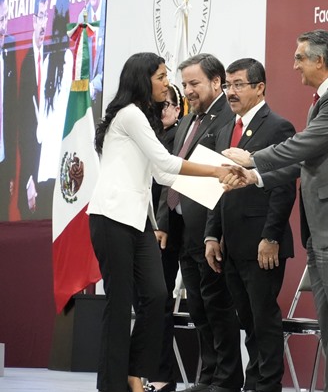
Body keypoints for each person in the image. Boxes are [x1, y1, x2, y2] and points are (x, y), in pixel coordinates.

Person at [223, 29, 328, 392]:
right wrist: (255, 178)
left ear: (319, 60)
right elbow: (306, 162)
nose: (294, 66)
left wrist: (253, 158)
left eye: (299, 58)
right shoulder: (324, 97)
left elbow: (302, 145)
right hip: (323, 228)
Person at [87, 52, 242, 392]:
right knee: (119, 303)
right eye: (160, 76)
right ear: (142, 80)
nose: (167, 83)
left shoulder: (142, 117)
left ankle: (133, 371)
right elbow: (166, 164)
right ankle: (113, 384)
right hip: (111, 216)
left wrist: (217, 178)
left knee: (157, 296)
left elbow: (162, 174)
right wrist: (217, 171)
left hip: (137, 220)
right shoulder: (130, 114)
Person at [204, 58, 297, 392]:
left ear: (260, 88)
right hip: (231, 243)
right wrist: (212, 234)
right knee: (247, 320)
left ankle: (268, 385)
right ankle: (254, 381)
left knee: (263, 319)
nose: (231, 92)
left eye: (239, 84)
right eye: (228, 85)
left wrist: (271, 236)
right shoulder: (226, 129)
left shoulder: (279, 127)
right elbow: (219, 184)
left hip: (261, 244)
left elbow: (284, 186)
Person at [155, 53, 243, 392]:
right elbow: (171, 172)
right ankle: (207, 377)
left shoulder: (228, 119)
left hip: (209, 229)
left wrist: (213, 233)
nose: (188, 90)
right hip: (181, 230)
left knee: (216, 306)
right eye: (185, 84)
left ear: (216, 82)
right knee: (198, 308)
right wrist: (164, 220)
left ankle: (226, 379)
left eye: (194, 83)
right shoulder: (189, 120)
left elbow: (224, 180)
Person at [146, 83, 184, 392]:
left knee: (160, 301)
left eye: (167, 105)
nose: (162, 111)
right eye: (157, 106)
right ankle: (154, 373)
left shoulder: (179, 137)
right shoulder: (150, 138)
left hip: (170, 229)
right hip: (147, 227)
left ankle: (162, 376)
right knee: (151, 301)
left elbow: (169, 184)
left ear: (178, 108)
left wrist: (161, 224)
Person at [38, 0, 73, 203]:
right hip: (60, 153)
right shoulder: (68, 58)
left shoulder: (47, 61)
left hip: (47, 158)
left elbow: (40, 127)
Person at [18, 0, 49, 219]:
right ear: (33, 19)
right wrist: (29, 176)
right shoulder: (24, 62)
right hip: (29, 170)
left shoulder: (51, 58)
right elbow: (21, 125)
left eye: (46, 15)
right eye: (40, 16)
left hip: (47, 169)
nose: (44, 22)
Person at [79, 0, 107, 125]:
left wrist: (94, 85)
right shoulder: (82, 17)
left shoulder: (110, 12)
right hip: (85, 105)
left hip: (105, 99)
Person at [0, 0, 17, 221]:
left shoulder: (11, 46)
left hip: (3, 159)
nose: (2, 27)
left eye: (5, 19)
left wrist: (12, 169)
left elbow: (13, 112)